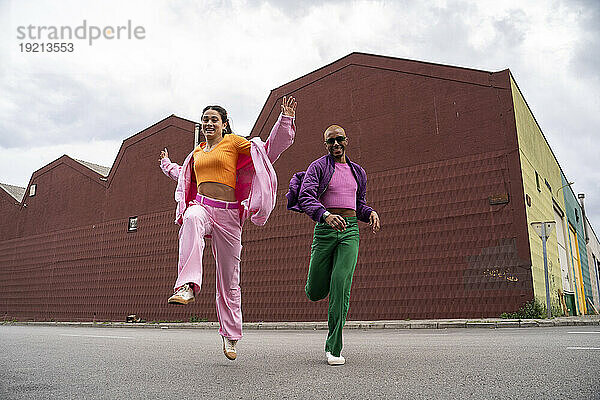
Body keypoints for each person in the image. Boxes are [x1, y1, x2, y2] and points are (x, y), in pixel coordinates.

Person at [159, 97, 297, 361]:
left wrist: (285, 121)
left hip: (229, 215)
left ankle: (231, 335)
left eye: (214, 119)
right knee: (191, 217)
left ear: (224, 124)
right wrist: (166, 164)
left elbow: (266, 152)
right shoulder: (197, 153)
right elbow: (183, 174)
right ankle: (187, 285)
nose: (209, 122)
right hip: (202, 206)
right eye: (205, 119)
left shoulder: (233, 143)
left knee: (229, 277)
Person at [288, 124, 380, 366]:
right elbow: (306, 196)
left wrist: (369, 212)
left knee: (341, 283)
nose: (336, 144)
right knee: (315, 291)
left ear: (346, 140)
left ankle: (334, 348)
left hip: (350, 230)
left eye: (339, 139)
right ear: (326, 145)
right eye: (331, 141)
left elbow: (358, 203)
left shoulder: (358, 172)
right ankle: (323, 282)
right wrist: (325, 215)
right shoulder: (318, 167)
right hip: (325, 230)